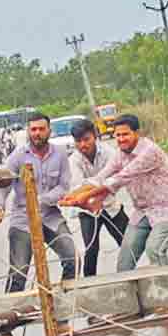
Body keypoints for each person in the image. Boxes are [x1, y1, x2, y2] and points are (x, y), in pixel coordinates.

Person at [0, 112, 77, 336]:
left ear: (49, 131)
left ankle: (61, 318)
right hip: (22, 220)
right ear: (28, 131)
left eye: (41, 129)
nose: (37, 133)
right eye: (33, 129)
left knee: (71, 257)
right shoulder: (18, 155)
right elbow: (3, 184)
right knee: (18, 275)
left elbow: (64, 186)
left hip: (49, 216)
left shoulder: (60, 154)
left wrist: (39, 201)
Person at [82, 114, 168, 272]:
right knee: (125, 261)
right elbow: (101, 176)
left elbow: (120, 178)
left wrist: (86, 197)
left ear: (137, 133)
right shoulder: (120, 153)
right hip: (143, 211)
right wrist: (72, 197)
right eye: (117, 135)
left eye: (125, 134)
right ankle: (129, 296)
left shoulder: (149, 151)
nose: (121, 139)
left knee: (155, 250)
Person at [69, 119, 131, 278]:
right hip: (88, 210)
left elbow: (116, 179)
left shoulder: (110, 152)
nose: (83, 144)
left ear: (95, 136)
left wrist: (92, 191)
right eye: (78, 141)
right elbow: (77, 187)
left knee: (128, 243)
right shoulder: (73, 160)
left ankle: (131, 276)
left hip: (110, 205)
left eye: (86, 139)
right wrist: (97, 192)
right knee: (91, 250)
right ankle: (89, 287)